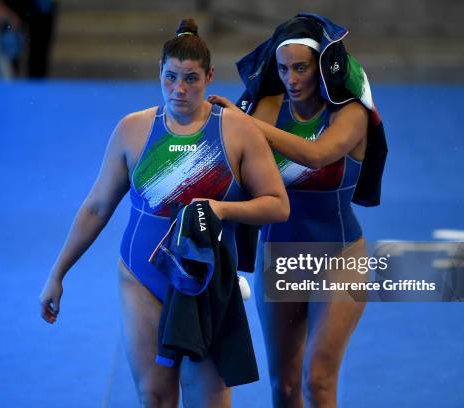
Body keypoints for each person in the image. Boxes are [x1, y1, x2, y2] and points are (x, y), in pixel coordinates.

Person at [39, 18, 289, 408]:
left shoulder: (238, 132)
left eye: (191, 78)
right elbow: (96, 207)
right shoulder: (133, 130)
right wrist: (57, 274)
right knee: (154, 397)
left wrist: (222, 208)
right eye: (171, 77)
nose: (179, 89)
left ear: (209, 76)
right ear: (160, 73)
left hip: (206, 279)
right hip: (142, 275)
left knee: (209, 401)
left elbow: (277, 204)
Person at [209, 14, 386, 408]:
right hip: (280, 261)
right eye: (283, 68)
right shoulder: (269, 106)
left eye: (301, 68)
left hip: (339, 257)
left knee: (319, 380)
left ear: (322, 67)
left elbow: (319, 155)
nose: (291, 79)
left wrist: (246, 124)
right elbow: (235, 159)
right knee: (284, 389)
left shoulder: (350, 113)